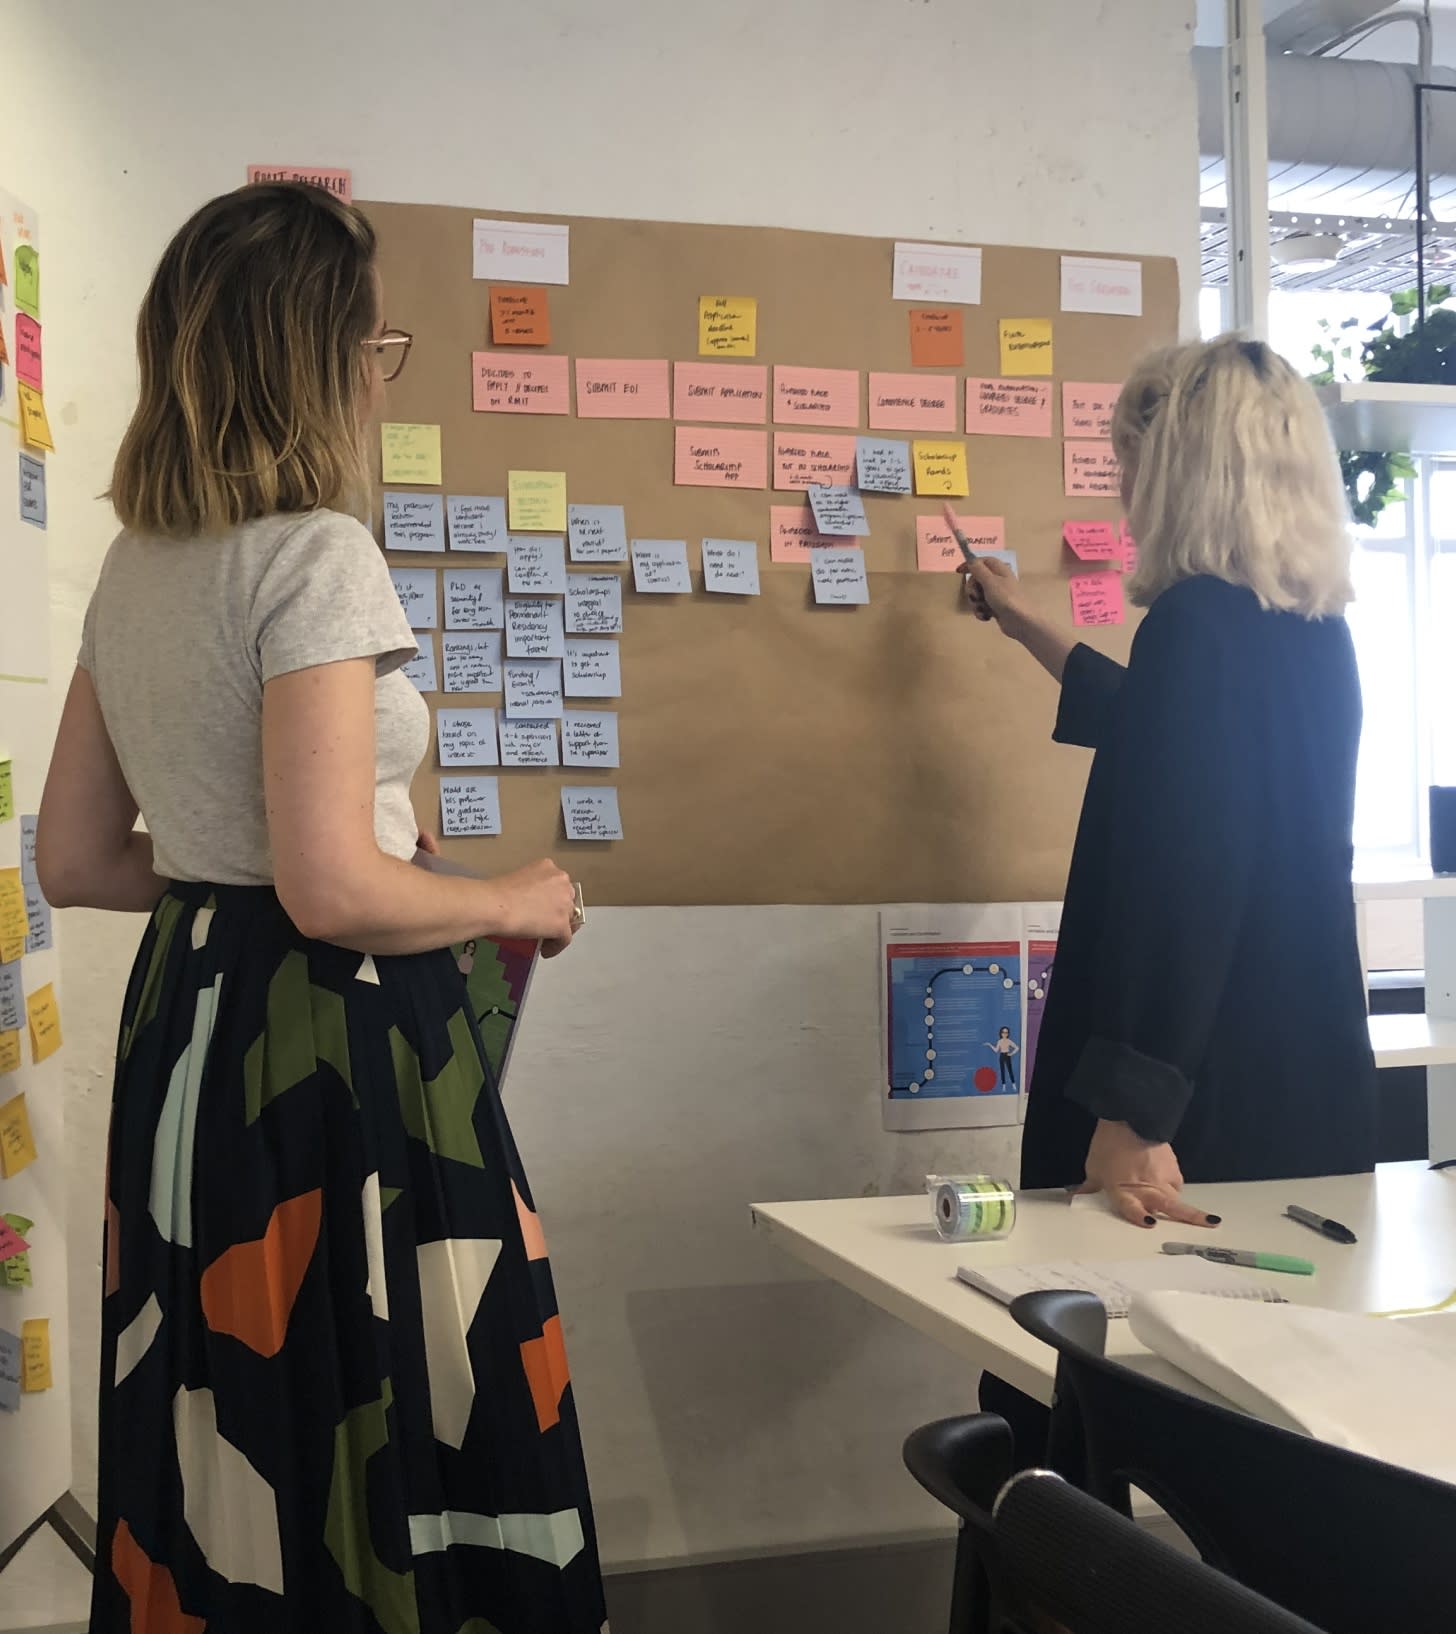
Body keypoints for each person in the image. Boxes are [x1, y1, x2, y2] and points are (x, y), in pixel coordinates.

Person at [36, 184, 607, 1634]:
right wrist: (514, 891)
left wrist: (231, 872)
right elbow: (334, 884)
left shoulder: (135, 565)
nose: (378, 370)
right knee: (395, 1380)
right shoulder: (316, 555)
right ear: (322, 355)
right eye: (373, 342)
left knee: (228, 1397)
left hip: (193, 1035)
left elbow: (80, 858)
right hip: (338, 1043)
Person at [968, 334, 1378, 1466]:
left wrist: (1134, 1112)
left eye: (1130, 458)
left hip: (1192, 1096)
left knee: (1095, 1409)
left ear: (1184, 464)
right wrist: (1022, 623)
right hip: (1295, 1073)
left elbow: (1194, 871)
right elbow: (1161, 730)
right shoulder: (1306, 633)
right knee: (1278, 1420)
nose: (1119, 486)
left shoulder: (1198, 628)